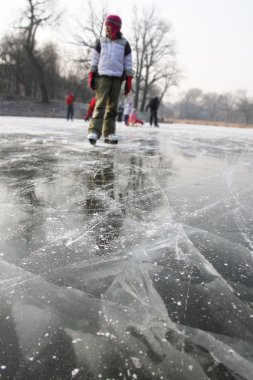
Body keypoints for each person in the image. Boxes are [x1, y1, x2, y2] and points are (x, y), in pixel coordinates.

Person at [87, 14, 133, 145]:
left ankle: (109, 133)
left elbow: (128, 62)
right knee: (100, 104)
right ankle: (94, 131)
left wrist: (129, 79)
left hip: (117, 78)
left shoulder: (124, 44)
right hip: (103, 76)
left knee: (112, 107)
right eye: (105, 27)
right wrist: (92, 74)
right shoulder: (100, 41)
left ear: (116, 28)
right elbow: (94, 60)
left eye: (108, 27)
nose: (106, 29)